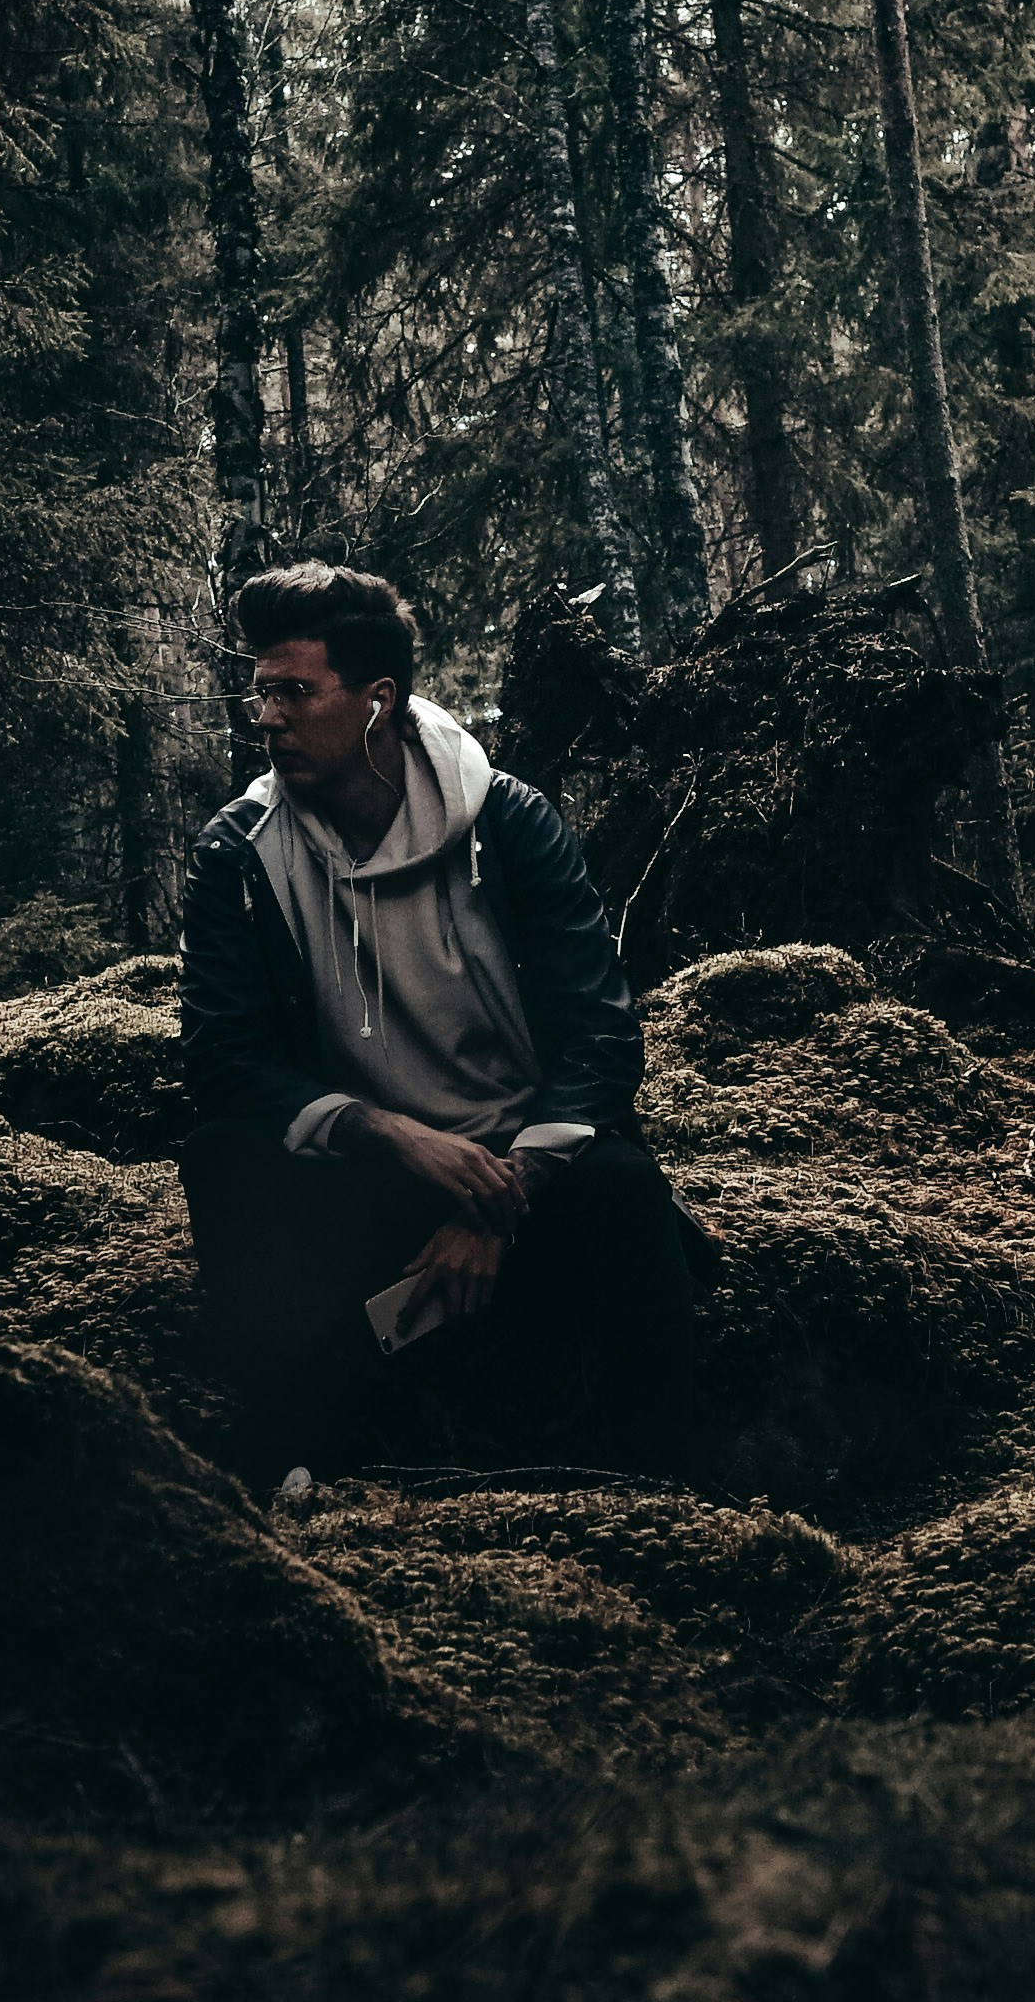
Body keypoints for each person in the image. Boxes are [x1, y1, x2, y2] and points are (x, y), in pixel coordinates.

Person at [179, 561, 701, 1487]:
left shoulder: (508, 824)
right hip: (364, 1178)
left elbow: (602, 1035)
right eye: (259, 693)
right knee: (223, 1156)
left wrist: (504, 1196)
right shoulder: (239, 855)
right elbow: (223, 1056)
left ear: (377, 701)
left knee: (624, 1193)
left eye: (296, 692)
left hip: (528, 1171)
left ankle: (671, 1486)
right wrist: (382, 1130)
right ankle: (295, 1468)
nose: (267, 718)